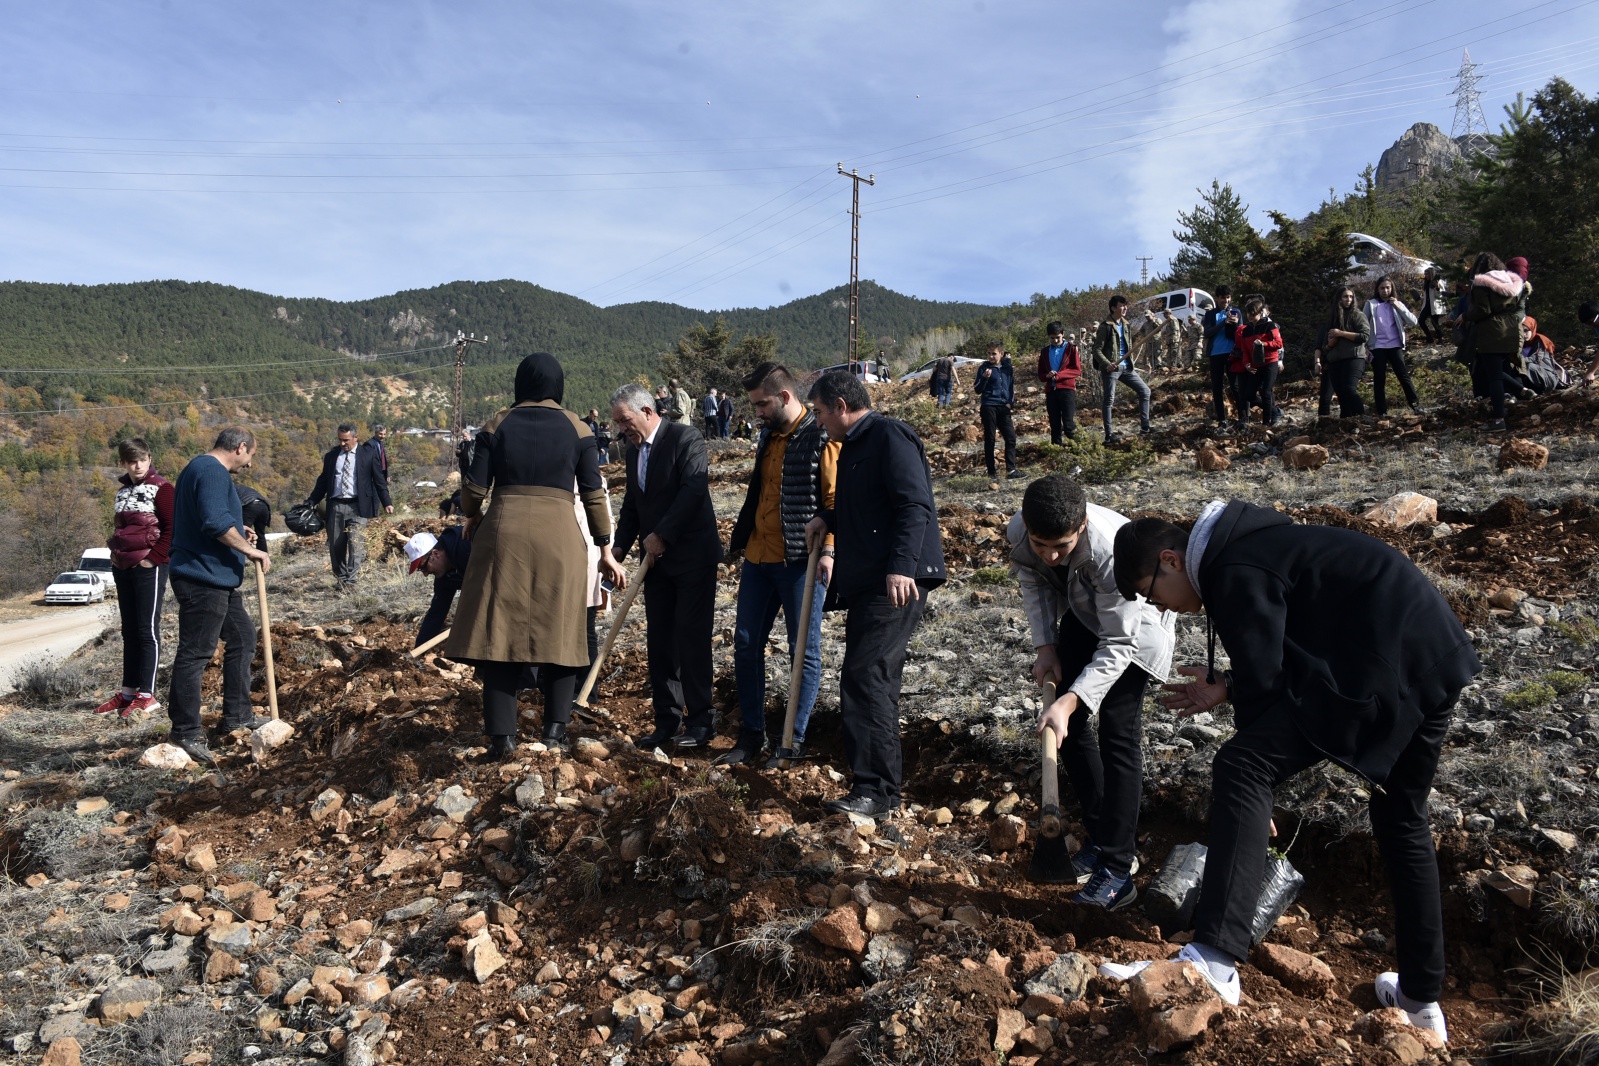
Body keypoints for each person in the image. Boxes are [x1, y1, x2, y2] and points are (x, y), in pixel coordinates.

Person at [1106, 501, 1479, 1041]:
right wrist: (1229, 689)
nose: (1160, 607)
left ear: (1170, 560)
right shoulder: (1252, 548)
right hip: (1432, 653)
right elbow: (1280, 661)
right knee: (1400, 814)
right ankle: (1421, 1002)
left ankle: (1212, 961)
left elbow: (1265, 687)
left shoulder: (1231, 569)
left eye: (1149, 591)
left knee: (1241, 765)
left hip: (1378, 662)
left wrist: (1259, 793)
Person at [443, 354, 623, 758]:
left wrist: (472, 517)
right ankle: (554, 734)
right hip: (560, 537)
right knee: (562, 632)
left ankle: (503, 740)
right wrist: (605, 548)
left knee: (499, 632)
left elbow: (473, 491)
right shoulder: (579, 428)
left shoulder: (497, 423)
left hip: (503, 532)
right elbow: (594, 495)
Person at [1017, 476, 1173, 909]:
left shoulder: (1108, 552)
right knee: (1068, 727)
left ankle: (1119, 869)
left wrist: (1071, 700)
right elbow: (1033, 583)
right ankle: (1103, 835)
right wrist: (1045, 646)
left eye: (1061, 547)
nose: (1049, 555)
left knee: (1118, 730)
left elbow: (1120, 643)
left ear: (1081, 527)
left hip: (1135, 632)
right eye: (1039, 543)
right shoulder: (1022, 531)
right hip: (1085, 617)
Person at [804, 371, 945, 819]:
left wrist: (902, 566)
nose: (821, 422)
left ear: (842, 405)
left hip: (895, 581)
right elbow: (866, 507)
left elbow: (913, 504)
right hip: (869, 582)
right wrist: (828, 517)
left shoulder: (889, 435)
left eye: (822, 412)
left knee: (869, 677)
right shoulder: (853, 448)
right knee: (863, 677)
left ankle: (878, 793)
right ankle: (872, 788)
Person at [723, 362, 839, 767]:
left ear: (785, 397)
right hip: (757, 559)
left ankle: (793, 739)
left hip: (799, 563)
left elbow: (833, 502)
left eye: (761, 403)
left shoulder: (822, 437)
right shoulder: (767, 436)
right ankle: (752, 735)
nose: (756, 411)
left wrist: (828, 550)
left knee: (802, 650)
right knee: (746, 644)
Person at [610, 383, 725, 750]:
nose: (621, 429)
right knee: (660, 643)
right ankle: (667, 722)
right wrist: (616, 549)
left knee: (691, 639)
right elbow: (633, 505)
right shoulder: (632, 453)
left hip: (692, 558)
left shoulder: (685, 439)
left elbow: (693, 492)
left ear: (647, 412)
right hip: (655, 564)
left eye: (625, 420)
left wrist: (663, 535)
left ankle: (702, 723)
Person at [165, 428, 274, 765]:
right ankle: (185, 731)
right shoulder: (211, 471)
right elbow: (214, 522)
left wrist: (239, 531)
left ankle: (237, 715)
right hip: (202, 578)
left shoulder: (202, 470)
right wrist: (251, 551)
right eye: (251, 455)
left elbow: (212, 519)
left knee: (242, 637)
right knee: (196, 652)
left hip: (217, 578)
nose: (250, 464)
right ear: (240, 447)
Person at [98, 438, 174, 720]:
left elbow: (172, 528)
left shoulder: (163, 488)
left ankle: (147, 695)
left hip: (148, 567)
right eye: (132, 461)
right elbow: (122, 528)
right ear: (123, 463)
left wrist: (152, 560)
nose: (138, 465)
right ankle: (128, 692)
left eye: (142, 459)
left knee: (147, 630)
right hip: (123, 566)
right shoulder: (121, 492)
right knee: (129, 630)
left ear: (150, 458)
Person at [306, 423, 392, 587]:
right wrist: (313, 500)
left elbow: (379, 480)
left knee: (355, 544)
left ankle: (351, 581)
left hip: (358, 507)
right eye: (340, 440)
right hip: (336, 506)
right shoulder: (331, 456)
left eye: (346, 440)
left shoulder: (368, 454)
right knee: (336, 545)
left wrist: (386, 502)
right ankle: (341, 578)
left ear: (355, 437)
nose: (342, 444)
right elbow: (323, 481)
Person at [1464, 252, 1527, 432]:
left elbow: (1483, 310)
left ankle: (1498, 419)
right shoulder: (1513, 283)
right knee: (1498, 370)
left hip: (1491, 333)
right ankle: (1516, 397)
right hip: (1511, 331)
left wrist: (1465, 316)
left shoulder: (1481, 284)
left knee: (1495, 378)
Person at [1091, 295, 1152, 441]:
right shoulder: (1105, 326)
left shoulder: (1126, 324)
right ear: (1113, 308)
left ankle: (1145, 427)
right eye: (1122, 305)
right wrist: (1107, 364)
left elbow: (1128, 345)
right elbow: (1096, 350)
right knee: (1109, 400)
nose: (1125, 308)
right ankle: (1109, 435)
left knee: (1145, 391)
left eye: (1126, 305)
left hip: (1127, 367)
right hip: (1112, 369)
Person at [1363, 275, 1422, 416]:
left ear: (1392, 288)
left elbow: (1413, 321)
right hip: (1377, 346)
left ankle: (1416, 405)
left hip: (1395, 345)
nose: (1385, 290)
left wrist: (1398, 306)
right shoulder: (1370, 304)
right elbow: (1363, 326)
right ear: (1377, 289)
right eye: (1382, 288)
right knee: (1379, 378)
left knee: (1403, 375)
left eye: (1388, 287)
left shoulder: (1397, 304)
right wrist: (1364, 347)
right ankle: (1382, 411)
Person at [406, 527, 471, 649]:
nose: (425, 574)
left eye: (423, 567)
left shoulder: (467, 547)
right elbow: (436, 613)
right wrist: (420, 649)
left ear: (435, 554)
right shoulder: (443, 576)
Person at [1313, 288, 1370, 419]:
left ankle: (1363, 419)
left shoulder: (1357, 315)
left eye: (1351, 296)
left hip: (1354, 358)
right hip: (1335, 361)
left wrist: (1342, 333)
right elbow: (1323, 347)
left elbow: (1365, 336)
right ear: (1339, 299)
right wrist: (1329, 345)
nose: (1348, 299)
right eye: (1345, 297)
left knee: (1349, 389)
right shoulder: (1331, 319)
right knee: (1341, 395)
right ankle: (1347, 424)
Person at [1228, 297, 1284, 427]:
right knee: (1248, 394)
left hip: (1270, 362)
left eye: (1253, 314)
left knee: (1266, 391)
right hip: (1255, 365)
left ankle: (1266, 422)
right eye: (1248, 314)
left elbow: (1279, 343)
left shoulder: (1270, 325)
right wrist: (1246, 364)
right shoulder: (1246, 329)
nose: (1250, 316)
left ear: (1260, 313)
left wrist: (1264, 344)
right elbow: (1245, 350)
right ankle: (1275, 411)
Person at [974, 343, 1022, 480]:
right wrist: (984, 378)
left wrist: (1010, 403)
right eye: (989, 353)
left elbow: (1011, 386)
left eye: (994, 353)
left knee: (1011, 437)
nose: (991, 356)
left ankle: (1011, 470)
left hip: (1003, 407)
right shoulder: (983, 368)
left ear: (1001, 353)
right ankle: (991, 473)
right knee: (990, 439)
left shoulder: (1007, 368)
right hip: (989, 406)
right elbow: (977, 389)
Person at [1037, 322, 1082, 444]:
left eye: (1058, 337)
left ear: (1063, 334)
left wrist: (1059, 376)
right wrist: (1047, 376)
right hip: (1051, 391)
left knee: (1068, 424)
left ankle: (1077, 449)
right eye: (1052, 338)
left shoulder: (1071, 349)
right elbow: (1041, 374)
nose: (1055, 340)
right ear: (1048, 337)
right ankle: (1057, 452)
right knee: (1054, 424)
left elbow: (1076, 370)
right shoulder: (1045, 351)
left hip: (1067, 390)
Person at [1202, 287, 1240, 429]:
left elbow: (1240, 332)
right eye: (1223, 298)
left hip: (1232, 354)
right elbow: (1207, 332)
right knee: (1217, 387)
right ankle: (1221, 419)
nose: (1226, 301)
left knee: (1235, 386)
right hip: (1215, 354)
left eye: (1228, 297)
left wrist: (1234, 323)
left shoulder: (1236, 312)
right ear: (1217, 298)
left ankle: (1242, 416)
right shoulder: (1211, 314)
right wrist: (1223, 323)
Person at [234, 483, 272, 551]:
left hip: (249, 505)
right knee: (260, 535)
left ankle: (237, 558)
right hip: (264, 505)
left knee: (240, 534)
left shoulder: (230, 488)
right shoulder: (242, 487)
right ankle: (264, 559)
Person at [1416, 267, 1448, 344]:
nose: (1426, 275)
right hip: (1427, 305)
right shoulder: (1426, 283)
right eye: (1425, 274)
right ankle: (1429, 337)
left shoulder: (1438, 282)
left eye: (1427, 274)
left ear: (1431, 274)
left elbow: (1441, 293)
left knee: (1435, 322)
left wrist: (1437, 287)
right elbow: (1427, 294)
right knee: (1421, 320)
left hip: (1434, 305)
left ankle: (1440, 339)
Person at [364, 424, 391, 497]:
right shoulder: (369, 444)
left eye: (384, 434)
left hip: (381, 477)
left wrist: (387, 475)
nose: (383, 436)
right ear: (376, 433)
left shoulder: (380, 444)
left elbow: (383, 461)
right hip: (373, 479)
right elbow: (366, 463)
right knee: (374, 501)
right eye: (380, 434)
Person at [1579, 300, 1599, 386]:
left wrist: (1590, 372)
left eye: (1591, 322)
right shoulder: (1597, 325)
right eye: (1587, 324)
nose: (1591, 325)